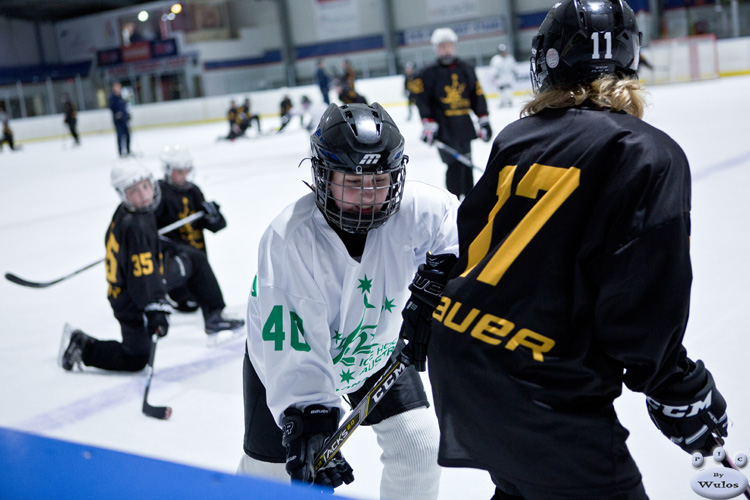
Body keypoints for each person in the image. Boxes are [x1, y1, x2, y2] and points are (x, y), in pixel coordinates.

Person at [417, 1, 730, 499]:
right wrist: (676, 385)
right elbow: (642, 304)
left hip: (464, 357)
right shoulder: (649, 153)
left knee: (523, 487)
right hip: (541, 386)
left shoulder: (517, 138)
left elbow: (471, 245)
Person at [237, 102, 460, 500]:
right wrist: (310, 419)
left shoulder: (414, 208)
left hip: (375, 350)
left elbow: (455, 224)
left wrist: (440, 278)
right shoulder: (289, 241)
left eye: (379, 181)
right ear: (322, 176)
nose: (367, 196)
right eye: (352, 183)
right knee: (266, 480)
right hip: (284, 371)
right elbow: (292, 346)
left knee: (419, 446)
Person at [58, 160, 245, 371]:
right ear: (122, 194)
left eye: (146, 186)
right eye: (134, 191)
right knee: (136, 358)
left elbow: (141, 259)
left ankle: (213, 316)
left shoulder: (128, 213)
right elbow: (143, 274)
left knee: (193, 259)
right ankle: (83, 347)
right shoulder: (137, 224)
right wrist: (155, 307)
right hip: (131, 296)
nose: (144, 195)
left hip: (122, 292)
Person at [412, 27, 491, 200]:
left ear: (454, 46)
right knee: (454, 165)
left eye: (448, 45)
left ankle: (470, 201)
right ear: (436, 49)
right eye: (441, 46)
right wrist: (428, 124)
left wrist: (483, 119)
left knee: (467, 164)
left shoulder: (466, 68)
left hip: (463, 123)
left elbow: (476, 93)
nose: (445, 49)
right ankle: (453, 201)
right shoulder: (427, 73)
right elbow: (422, 100)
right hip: (444, 127)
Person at [154, 145, 231, 315]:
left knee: (200, 295)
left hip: (198, 258)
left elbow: (217, 226)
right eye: (179, 172)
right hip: (177, 260)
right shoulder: (159, 194)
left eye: (186, 171)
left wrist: (214, 217)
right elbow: (152, 231)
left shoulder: (193, 190)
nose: (184, 176)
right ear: (167, 170)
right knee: (186, 304)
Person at [489, 44, 517, 108]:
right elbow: (493, 68)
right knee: (501, 90)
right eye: (502, 52)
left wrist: (515, 71)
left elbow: (513, 66)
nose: (504, 53)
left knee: (508, 89)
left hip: (508, 77)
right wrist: (494, 74)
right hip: (500, 78)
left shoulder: (510, 58)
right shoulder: (496, 59)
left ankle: (509, 101)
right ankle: (502, 102)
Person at [109, 82, 131, 157]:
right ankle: (120, 152)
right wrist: (118, 114)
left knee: (127, 135)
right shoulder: (112, 98)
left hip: (124, 120)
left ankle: (128, 150)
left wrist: (127, 114)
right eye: (117, 86)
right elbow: (112, 108)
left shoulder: (122, 96)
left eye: (119, 86)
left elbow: (125, 107)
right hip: (118, 121)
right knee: (120, 136)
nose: (118, 88)